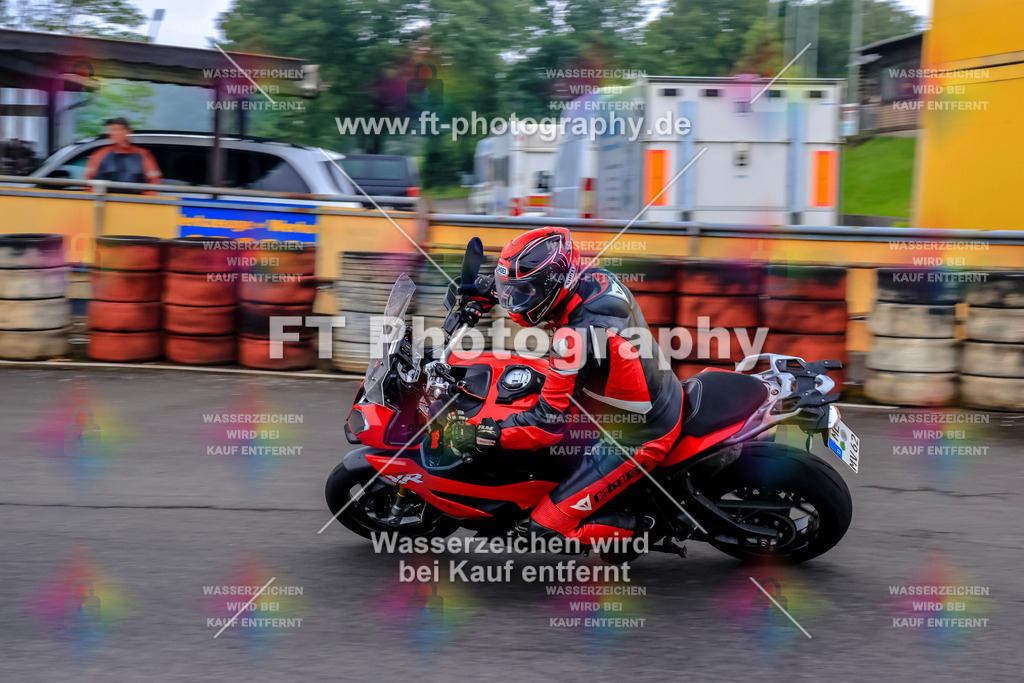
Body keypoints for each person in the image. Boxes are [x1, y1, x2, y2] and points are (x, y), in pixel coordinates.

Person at [452, 226, 684, 545]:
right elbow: (538, 286)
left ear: (551, 286)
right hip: (631, 394)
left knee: (546, 529)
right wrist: (490, 290)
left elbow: (546, 426)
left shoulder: (572, 340)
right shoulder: (593, 279)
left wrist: (487, 433)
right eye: (512, 290)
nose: (514, 301)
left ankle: (648, 528)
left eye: (522, 292)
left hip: (640, 433)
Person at [84, 117, 162, 194]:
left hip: (135, 200)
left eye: (116, 129)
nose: (113, 133)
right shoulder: (100, 154)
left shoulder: (143, 154)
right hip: (105, 200)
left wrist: (144, 199)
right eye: (111, 130)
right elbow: (88, 181)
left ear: (128, 132)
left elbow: (154, 182)